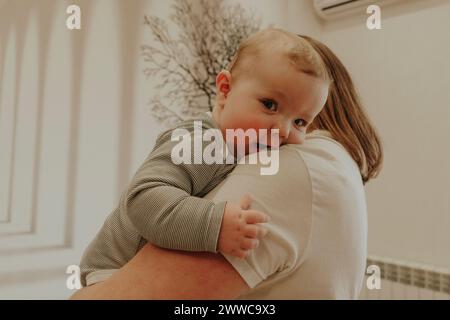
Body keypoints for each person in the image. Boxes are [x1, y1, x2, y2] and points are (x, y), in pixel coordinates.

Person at [70, 34, 383, 300]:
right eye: (270, 105)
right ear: (224, 89)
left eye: (300, 121)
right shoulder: (200, 141)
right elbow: (143, 197)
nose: (283, 131)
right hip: (109, 270)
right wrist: (214, 223)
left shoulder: (251, 149)